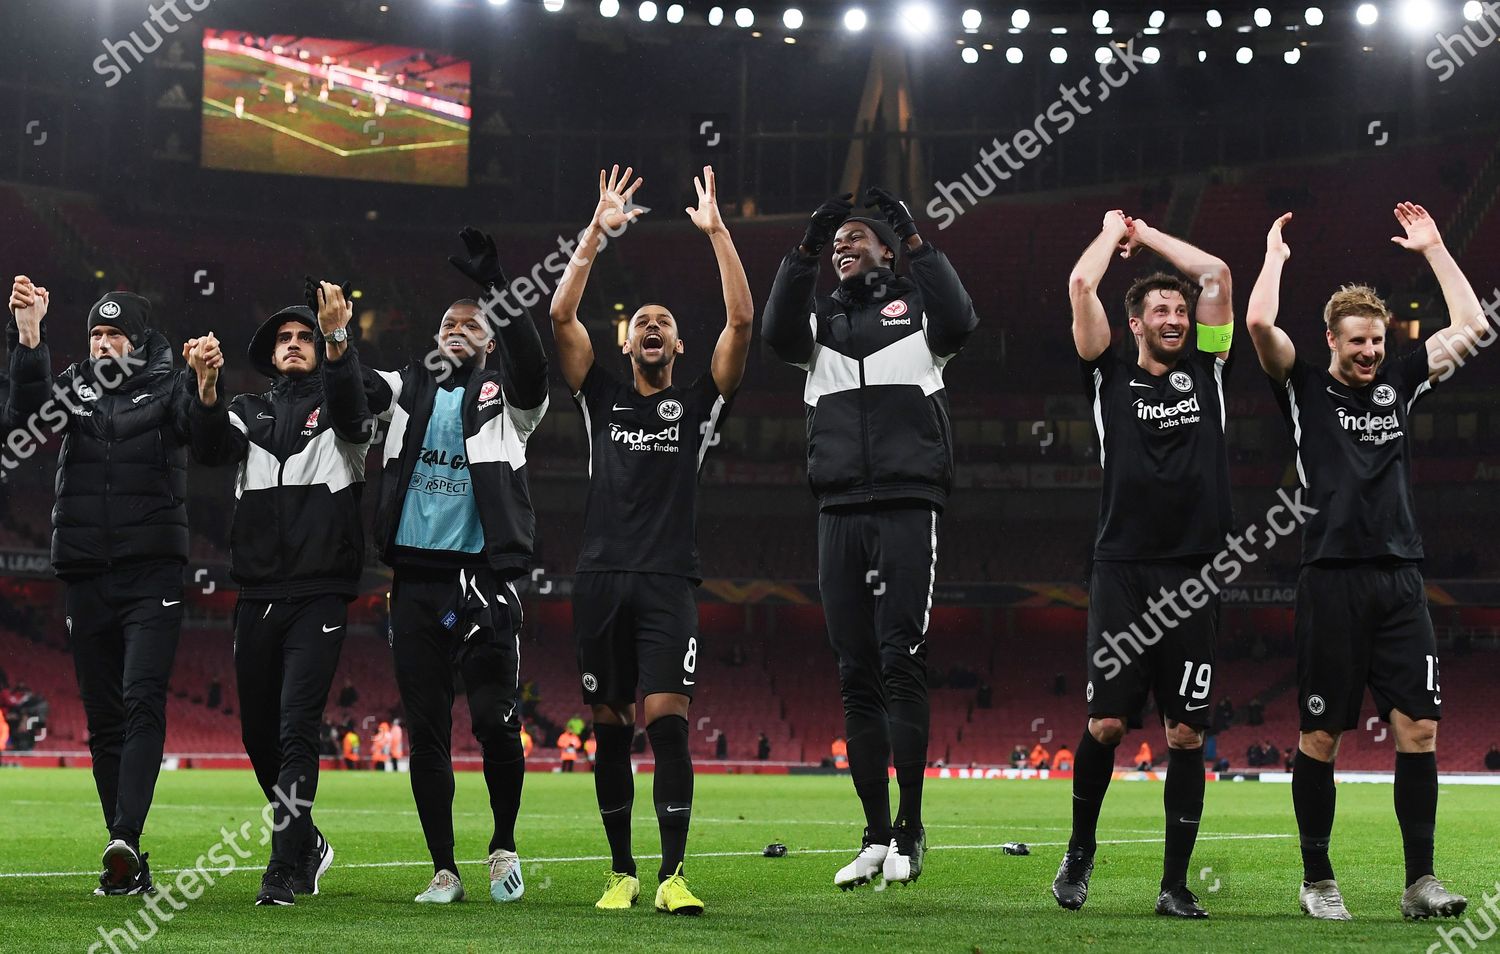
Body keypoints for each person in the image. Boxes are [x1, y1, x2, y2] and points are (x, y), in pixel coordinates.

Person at [1246, 203, 1480, 921]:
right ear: (1332, 341)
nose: (1371, 351)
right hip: (1331, 580)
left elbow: (1471, 328)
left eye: (1377, 339)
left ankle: (1419, 883)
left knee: (1421, 729)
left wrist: (1437, 250)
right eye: (1357, 341)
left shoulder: (1399, 384)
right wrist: (1276, 261)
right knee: (1321, 736)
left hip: (1402, 578)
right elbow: (1259, 326)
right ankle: (1317, 880)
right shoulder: (1305, 388)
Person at [548, 164, 751, 916]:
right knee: (608, 727)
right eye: (642, 322)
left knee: (667, 722)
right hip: (600, 579)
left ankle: (672, 876)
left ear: (678, 343)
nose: (654, 327)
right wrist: (596, 235)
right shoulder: (599, 396)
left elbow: (742, 326)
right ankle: (621, 871)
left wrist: (718, 232)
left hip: (668, 581)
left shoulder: (699, 406)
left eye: (665, 321)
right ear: (627, 340)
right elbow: (561, 317)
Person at [762, 187, 978, 890]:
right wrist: (800, 252)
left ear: (886, 249)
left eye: (859, 236)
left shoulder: (917, 312)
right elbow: (772, 334)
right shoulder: (817, 324)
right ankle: (874, 834)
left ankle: (912, 828)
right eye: (835, 241)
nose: (843, 244)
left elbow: (962, 319)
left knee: (899, 662)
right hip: (837, 511)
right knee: (855, 674)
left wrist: (916, 238)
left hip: (908, 506)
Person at [1052, 211, 1234, 919]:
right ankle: (1080, 852)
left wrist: (1149, 233)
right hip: (1123, 568)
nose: (1175, 317)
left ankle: (1174, 885)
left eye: (1180, 309)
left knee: (1186, 733)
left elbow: (1216, 272)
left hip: (1196, 572)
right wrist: (1108, 230)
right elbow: (1079, 282)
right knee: (1105, 725)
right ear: (1134, 322)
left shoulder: (1209, 371)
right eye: (1160, 308)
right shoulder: (1108, 377)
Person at [365, 227, 548, 905]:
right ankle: (444, 867)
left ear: (491, 338)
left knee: (498, 720)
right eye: (448, 322)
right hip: (414, 584)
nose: (458, 329)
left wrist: (499, 286)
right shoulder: (404, 389)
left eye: (473, 324)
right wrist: (331, 340)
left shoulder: (513, 402)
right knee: (427, 730)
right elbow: (356, 385)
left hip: (482, 584)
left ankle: (503, 844)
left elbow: (534, 364)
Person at [9, 278, 198, 897]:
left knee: (141, 700)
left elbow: (203, 434)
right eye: (95, 333)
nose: (103, 344)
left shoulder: (171, 385)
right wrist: (30, 337)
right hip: (87, 570)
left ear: (138, 340)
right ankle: (128, 858)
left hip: (153, 572)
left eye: (115, 334)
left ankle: (122, 833)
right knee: (102, 718)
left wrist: (205, 383)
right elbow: (25, 419)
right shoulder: (75, 387)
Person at [186, 280, 371, 905]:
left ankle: (282, 870)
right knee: (258, 738)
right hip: (257, 592)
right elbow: (209, 451)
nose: (293, 345)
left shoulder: (349, 398)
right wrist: (207, 391)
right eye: (284, 340)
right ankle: (308, 842)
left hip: (319, 591)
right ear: (270, 356)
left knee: (296, 731)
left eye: (304, 338)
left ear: (322, 349)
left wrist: (340, 340)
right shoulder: (247, 411)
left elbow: (352, 412)